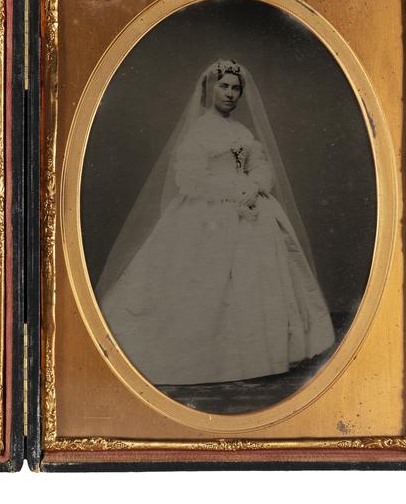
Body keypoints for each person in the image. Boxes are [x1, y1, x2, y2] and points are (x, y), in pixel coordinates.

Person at [96, 59, 335, 386]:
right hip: (208, 215)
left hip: (252, 210)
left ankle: (259, 355)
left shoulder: (242, 131)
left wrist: (253, 186)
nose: (230, 93)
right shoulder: (198, 130)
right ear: (210, 89)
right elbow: (190, 180)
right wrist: (234, 191)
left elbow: (261, 167)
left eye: (236, 88)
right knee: (205, 282)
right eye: (224, 86)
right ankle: (209, 360)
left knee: (256, 278)